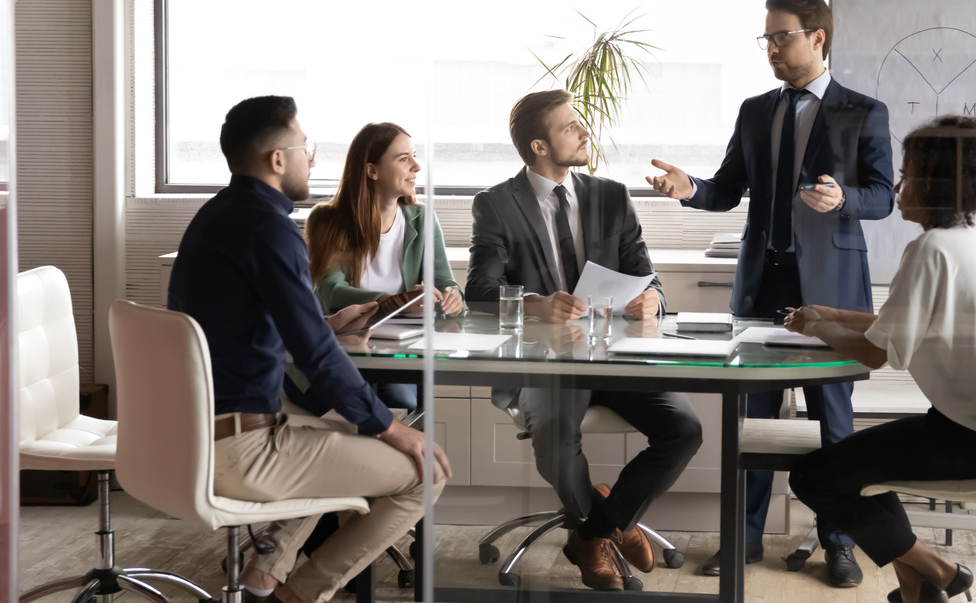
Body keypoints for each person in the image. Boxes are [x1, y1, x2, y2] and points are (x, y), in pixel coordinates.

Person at [647, 0, 893, 584]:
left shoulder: (863, 109)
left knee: (834, 423)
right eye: (767, 38)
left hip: (831, 290)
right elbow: (728, 188)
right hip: (762, 285)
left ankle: (839, 540)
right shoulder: (756, 110)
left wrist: (845, 199)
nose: (772, 49)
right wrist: (691, 190)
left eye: (782, 37)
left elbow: (885, 195)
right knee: (748, 419)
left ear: (818, 38)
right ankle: (745, 538)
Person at [167, 96, 452, 603]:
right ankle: (301, 594)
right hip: (244, 448)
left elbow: (261, 325)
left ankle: (263, 575)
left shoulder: (216, 216)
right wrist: (391, 430)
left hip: (199, 431)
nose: (313, 159)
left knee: (345, 427)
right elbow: (318, 357)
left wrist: (329, 320)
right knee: (423, 473)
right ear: (278, 160)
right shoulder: (270, 229)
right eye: (305, 148)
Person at [466, 89, 703, 591]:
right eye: (571, 126)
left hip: (614, 359)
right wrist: (535, 303)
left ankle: (594, 529)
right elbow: (480, 292)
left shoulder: (610, 196)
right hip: (544, 362)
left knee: (684, 428)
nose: (585, 131)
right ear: (539, 147)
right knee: (555, 432)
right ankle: (604, 526)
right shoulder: (495, 205)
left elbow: (646, 274)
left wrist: (652, 301)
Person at [784, 115, 976, 603]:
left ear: (937, 182)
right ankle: (914, 584)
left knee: (816, 475)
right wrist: (831, 313)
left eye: (909, 173)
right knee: (863, 467)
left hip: (970, 437)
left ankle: (935, 566)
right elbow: (900, 322)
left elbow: (877, 352)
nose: (898, 185)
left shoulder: (931, 249)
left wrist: (816, 327)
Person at [302, 121, 464, 412]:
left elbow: (443, 281)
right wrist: (395, 301)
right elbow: (330, 290)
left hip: (403, 345)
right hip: (346, 345)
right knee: (379, 402)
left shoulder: (422, 218)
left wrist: (453, 297)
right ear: (371, 170)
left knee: (402, 401)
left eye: (414, 156)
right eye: (404, 159)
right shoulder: (327, 219)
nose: (416, 166)